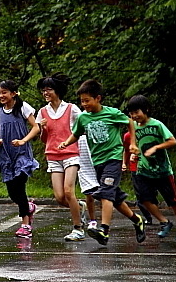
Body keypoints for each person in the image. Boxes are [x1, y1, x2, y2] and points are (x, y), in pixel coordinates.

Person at [59, 79, 146, 246]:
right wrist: (66, 142)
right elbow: (76, 134)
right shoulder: (83, 117)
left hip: (113, 159)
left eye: (87, 100)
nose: (84, 104)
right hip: (97, 162)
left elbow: (130, 122)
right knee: (116, 199)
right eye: (81, 101)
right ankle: (137, 220)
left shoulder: (112, 113)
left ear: (98, 98)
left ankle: (104, 231)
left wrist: (133, 143)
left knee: (106, 193)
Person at [126, 95, 176, 241]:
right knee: (144, 199)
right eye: (132, 113)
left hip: (163, 170)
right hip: (143, 170)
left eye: (137, 112)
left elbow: (172, 141)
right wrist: (133, 155)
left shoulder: (157, 125)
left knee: (173, 201)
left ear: (146, 109)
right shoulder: (133, 127)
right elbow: (135, 146)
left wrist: (156, 147)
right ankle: (164, 222)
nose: (135, 116)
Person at [35, 72, 87, 242]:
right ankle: (80, 207)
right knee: (59, 197)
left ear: (58, 90)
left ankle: (78, 228)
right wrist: (42, 129)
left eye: (48, 89)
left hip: (71, 154)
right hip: (52, 155)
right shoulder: (42, 112)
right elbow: (44, 139)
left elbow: (82, 129)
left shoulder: (72, 109)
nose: (45, 93)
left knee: (68, 191)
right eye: (43, 90)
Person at [0, 80, 40, 238]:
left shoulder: (23, 108)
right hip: (5, 155)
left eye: (4, 92)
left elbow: (36, 127)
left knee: (19, 185)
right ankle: (28, 207)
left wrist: (23, 140)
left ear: (14, 93)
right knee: (12, 192)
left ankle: (25, 224)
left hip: (22, 154)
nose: (1, 95)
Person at [123, 130, 153, 224]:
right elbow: (126, 150)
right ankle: (148, 217)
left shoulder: (147, 132)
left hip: (148, 167)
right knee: (140, 194)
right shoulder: (127, 136)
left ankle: (158, 216)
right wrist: (124, 163)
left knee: (150, 192)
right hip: (135, 168)